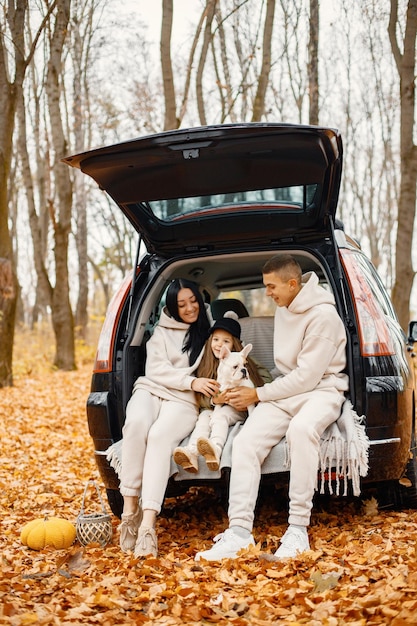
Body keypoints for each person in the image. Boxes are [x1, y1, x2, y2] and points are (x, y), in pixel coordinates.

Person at [195, 254, 349, 561]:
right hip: (285, 390)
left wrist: (258, 395)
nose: (267, 293)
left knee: (302, 429)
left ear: (292, 284)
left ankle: (297, 531)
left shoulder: (324, 318)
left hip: (322, 390)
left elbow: (307, 378)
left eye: (271, 286)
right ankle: (238, 533)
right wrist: (259, 394)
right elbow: (287, 374)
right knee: (245, 442)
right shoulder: (284, 308)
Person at [119, 278, 219, 558]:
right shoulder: (160, 333)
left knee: (160, 437)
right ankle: (130, 512)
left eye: (193, 301)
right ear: (172, 308)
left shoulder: (208, 334)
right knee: (137, 425)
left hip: (183, 400)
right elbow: (155, 371)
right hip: (151, 388)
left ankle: (148, 525)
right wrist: (190, 382)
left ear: (200, 300)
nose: (190, 308)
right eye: (182, 304)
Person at [173, 312, 270, 473]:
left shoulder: (242, 361)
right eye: (216, 339)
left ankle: (215, 450)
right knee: (203, 419)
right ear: (210, 340)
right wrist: (214, 400)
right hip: (212, 408)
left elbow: (266, 379)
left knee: (221, 416)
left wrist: (251, 392)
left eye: (226, 341)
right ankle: (192, 452)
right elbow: (198, 397)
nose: (219, 345)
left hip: (238, 408)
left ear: (235, 345)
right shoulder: (204, 362)